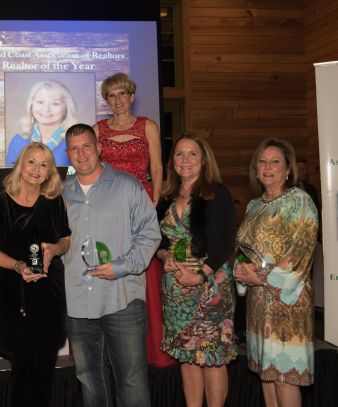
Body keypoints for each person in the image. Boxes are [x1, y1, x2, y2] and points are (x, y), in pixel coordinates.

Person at [62, 123, 161, 407]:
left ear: (99, 148)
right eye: (74, 149)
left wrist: (122, 266)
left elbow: (150, 234)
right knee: (90, 381)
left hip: (122, 298)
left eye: (86, 146)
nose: (81, 154)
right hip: (79, 301)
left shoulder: (127, 186)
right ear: (67, 155)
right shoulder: (61, 194)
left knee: (131, 382)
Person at [92, 72, 171, 367]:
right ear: (106, 100)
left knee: (145, 269)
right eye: (112, 95)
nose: (118, 100)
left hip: (142, 204)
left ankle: (150, 348)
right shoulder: (97, 130)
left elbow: (157, 168)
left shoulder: (147, 126)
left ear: (132, 96)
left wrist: (154, 202)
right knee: (112, 264)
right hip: (110, 207)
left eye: (122, 94)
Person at [0, 142, 70, 407]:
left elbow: (65, 240)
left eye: (44, 165)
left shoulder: (55, 201)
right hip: (13, 295)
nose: (36, 169)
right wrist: (18, 266)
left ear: (49, 172)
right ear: (21, 163)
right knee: (21, 372)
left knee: (44, 372)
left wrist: (54, 249)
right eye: (31, 161)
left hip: (49, 294)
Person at [155, 134, 237, 407]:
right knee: (187, 356)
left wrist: (199, 276)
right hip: (176, 290)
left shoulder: (216, 193)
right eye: (179, 154)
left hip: (209, 286)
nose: (185, 160)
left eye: (192, 154)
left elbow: (225, 242)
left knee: (211, 357)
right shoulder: (167, 195)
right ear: (172, 161)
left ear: (204, 160)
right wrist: (166, 255)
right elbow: (159, 242)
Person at [234, 138, 317, 407]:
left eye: (275, 162)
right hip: (258, 303)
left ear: (288, 169)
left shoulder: (299, 201)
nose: (267, 167)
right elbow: (242, 247)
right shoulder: (253, 205)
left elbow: (301, 250)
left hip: (288, 303)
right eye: (262, 161)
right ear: (256, 169)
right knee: (266, 375)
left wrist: (261, 277)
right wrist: (242, 269)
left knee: (284, 378)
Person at [6, 80, 78, 167]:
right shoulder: (18, 140)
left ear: (67, 107)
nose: (46, 109)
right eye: (40, 102)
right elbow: (10, 174)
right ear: (31, 104)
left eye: (55, 104)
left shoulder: (75, 141)